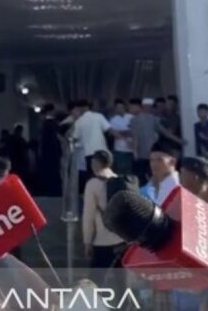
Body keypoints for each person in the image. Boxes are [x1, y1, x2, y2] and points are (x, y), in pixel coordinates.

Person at [81, 150, 126, 288]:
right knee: (122, 284)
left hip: (103, 241)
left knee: (94, 283)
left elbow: (88, 216)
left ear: (96, 163)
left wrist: (87, 242)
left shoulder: (93, 184)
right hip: (123, 240)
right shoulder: (121, 180)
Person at [130, 98, 183, 184]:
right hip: (146, 153)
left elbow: (165, 133)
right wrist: (135, 152)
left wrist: (179, 141)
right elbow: (135, 137)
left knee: (146, 176)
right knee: (147, 176)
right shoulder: (137, 120)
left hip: (148, 153)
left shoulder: (149, 119)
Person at [71, 100, 112, 191]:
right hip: (102, 151)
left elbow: (75, 138)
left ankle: (94, 194)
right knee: (104, 174)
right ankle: (105, 193)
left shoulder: (79, 122)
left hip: (89, 152)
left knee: (92, 176)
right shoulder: (98, 116)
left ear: (80, 108)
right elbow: (108, 130)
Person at [109, 99, 134, 175]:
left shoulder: (131, 117)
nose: (119, 109)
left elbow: (133, 131)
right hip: (119, 149)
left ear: (124, 107)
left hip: (131, 148)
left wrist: (121, 132)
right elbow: (113, 133)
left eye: (121, 107)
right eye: (117, 107)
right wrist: (125, 132)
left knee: (130, 170)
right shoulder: (113, 120)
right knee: (120, 169)